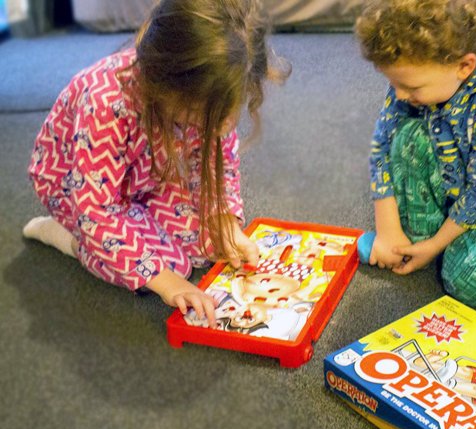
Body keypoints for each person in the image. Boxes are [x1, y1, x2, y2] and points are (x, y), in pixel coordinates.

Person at [22, 0, 289, 327]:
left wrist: (224, 221)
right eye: (209, 117)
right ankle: (68, 239)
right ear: (168, 88)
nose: (227, 124)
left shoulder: (200, 91)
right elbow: (96, 211)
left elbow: (218, 161)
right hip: (77, 187)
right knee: (168, 267)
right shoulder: (105, 103)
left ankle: (146, 223)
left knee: (208, 246)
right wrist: (169, 284)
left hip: (149, 171)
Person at [355, 0, 476, 306]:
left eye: (410, 86)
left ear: (464, 66)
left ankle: (435, 240)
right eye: (394, 83)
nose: (400, 94)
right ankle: (415, 239)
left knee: (473, 287)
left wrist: (435, 246)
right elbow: (383, 142)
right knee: (406, 139)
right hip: (451, 166)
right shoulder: (416, 77)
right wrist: (388, 230)